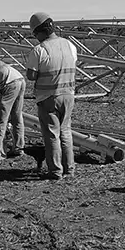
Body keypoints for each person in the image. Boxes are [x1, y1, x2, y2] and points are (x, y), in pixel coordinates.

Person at [24, 12, 78, 180]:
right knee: (66, 132)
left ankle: (55, 171)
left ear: (39, 31)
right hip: (68, 95)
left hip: (49, 98)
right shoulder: (70, 45)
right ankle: (69, 169)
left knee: (52, 136)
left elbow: (31, 76)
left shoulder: (40, 50)